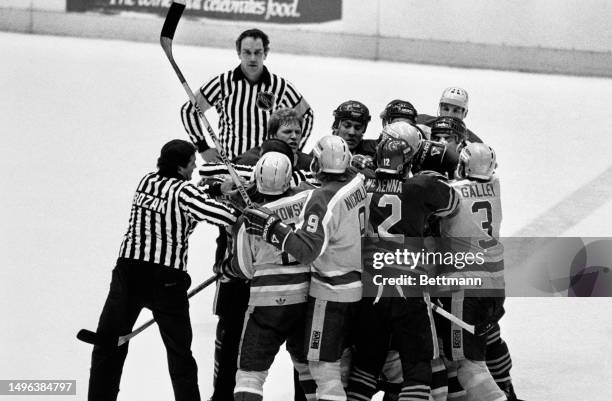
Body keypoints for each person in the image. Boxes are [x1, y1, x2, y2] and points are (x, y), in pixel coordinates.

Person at [87, 140, 238, 401]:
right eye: (192, 163)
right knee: (180, 355)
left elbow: (181, 213)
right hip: (165, 282)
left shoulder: (145, 181)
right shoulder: (185, 193)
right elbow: (225, 216)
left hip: (128, 275)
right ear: (181, 167)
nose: (195, 168)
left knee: (107, 344)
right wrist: (227, 197)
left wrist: (212, 189)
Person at [242, 135, 367, 401]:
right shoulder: (358, 180)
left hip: (330, 291)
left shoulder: (320, 200)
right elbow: (306, 196)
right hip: (355, 284)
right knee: (316, 367)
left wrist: (272, 228)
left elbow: (307, 251)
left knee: (323, 370)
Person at [346, 121, 459, 401]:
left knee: (365, 368)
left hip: (370, 289)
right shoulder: (422, 186)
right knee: (418, 369)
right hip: (409, 289)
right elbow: (453, 204)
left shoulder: (359, 184)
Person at [228, 152, 315, 401]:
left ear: (257, 178)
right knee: (308, 370)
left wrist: (226, 267)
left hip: (266, 304)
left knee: (250, 375)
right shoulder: (309, 201)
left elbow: (244, 268)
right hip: (305, 298)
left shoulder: (248, 219)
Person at [436, 142, 508, 401]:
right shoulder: (496, 186)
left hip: (464, 289)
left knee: (467, 366)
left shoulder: (451, 193)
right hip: (495, 286)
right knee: (471, 355)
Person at [180, 28, 314, 162]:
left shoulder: (280, 87)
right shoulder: (222, 83)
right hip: (231, 167)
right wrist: (203, 148)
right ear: (239, 53)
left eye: (258, 53)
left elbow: (307, 115)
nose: (252, 58)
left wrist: (294, 151)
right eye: (247, 52)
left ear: (265, 54)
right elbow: (189, 110)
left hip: (267, 168)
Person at [416, 87, 482, 143]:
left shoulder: (474, 143)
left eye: (456, 111)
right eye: (446, 109)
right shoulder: (421, 123)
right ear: (440, 109)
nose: (449, 115)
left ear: (465, 114)